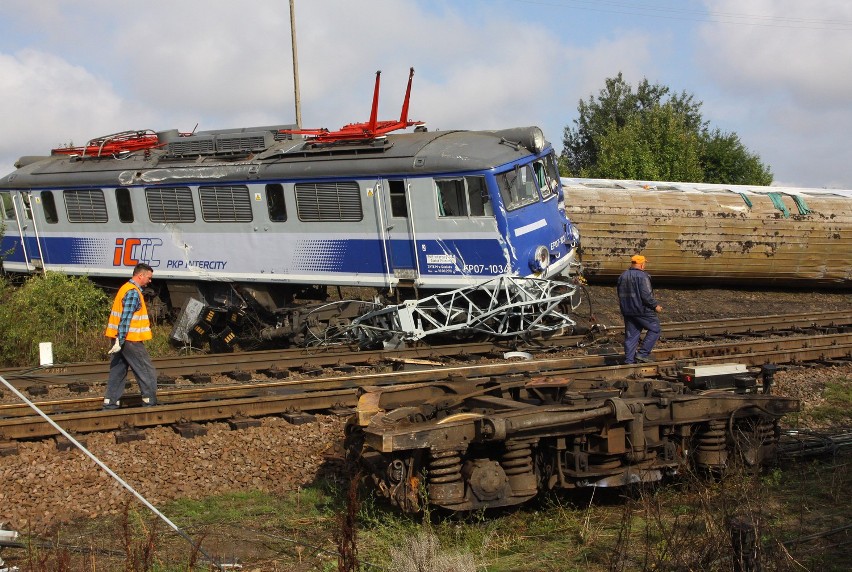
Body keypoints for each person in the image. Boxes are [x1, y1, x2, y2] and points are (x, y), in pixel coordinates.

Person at [103, 263, 158, 409]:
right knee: (146, 370)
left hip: (119, 339)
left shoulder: (125, 288)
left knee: (118, 371)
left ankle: (110, 403)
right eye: (149, 277)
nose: (150, 281)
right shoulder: (133, 292)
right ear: (140, 275)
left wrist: (117, 341)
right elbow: (126, 318)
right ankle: (150, 402)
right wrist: (121, 340)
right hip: (129, 340)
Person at [617, 254, 663, 364]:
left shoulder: (622, 275)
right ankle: (642, 354)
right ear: (641, 264)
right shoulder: (643, 276)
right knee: (655, 328)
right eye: (644, 263)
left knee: (631, 335)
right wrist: (655, 306)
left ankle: (629, 361)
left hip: (627, 311)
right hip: (641, 310)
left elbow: (620, 293)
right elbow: (646, 295)